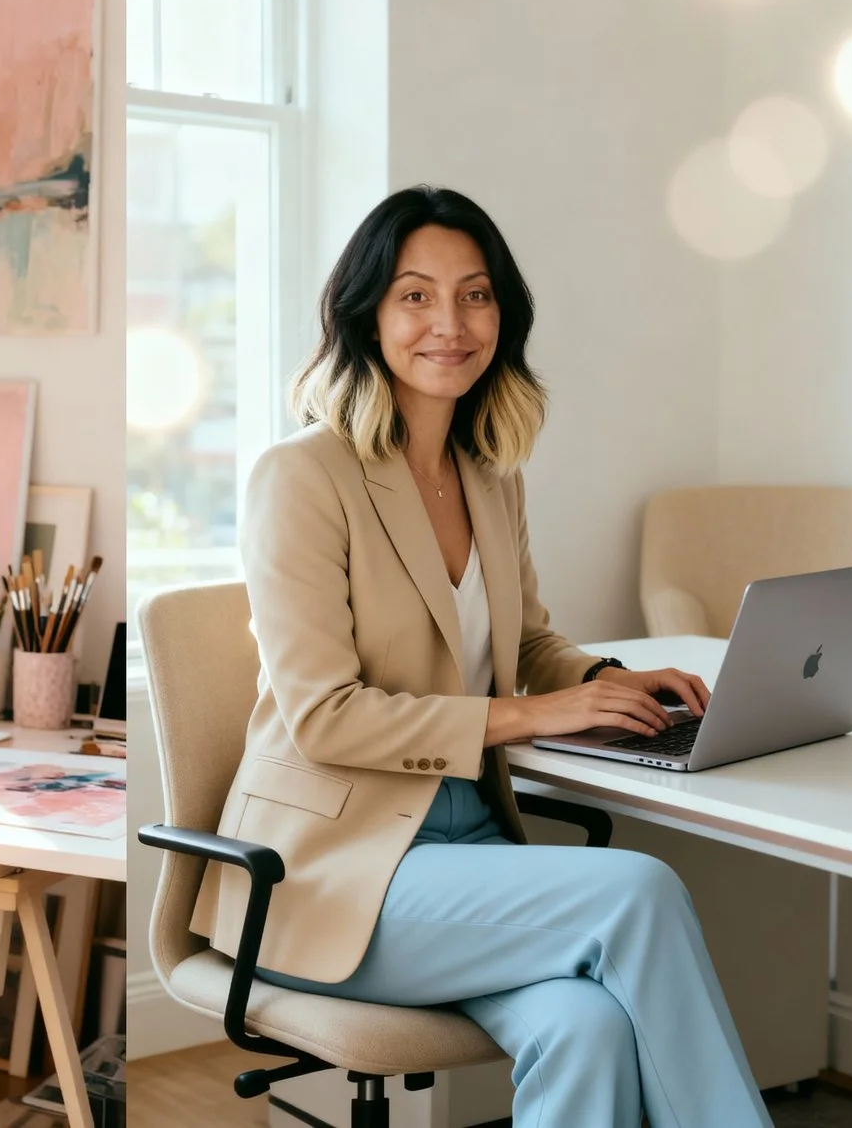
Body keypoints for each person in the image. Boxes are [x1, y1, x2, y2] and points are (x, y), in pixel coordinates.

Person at [205, 186, 769, 1127]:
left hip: (470, 846)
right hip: (337, 873)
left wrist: (597, 681)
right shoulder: (302, 476)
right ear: (367, 314)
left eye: (475, 295)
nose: (449, 324)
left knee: (585, 1026)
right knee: (638, 889)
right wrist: (539, 715)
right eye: (416, 296)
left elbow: (527, 641)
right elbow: (325, 714)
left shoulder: (489, 474)